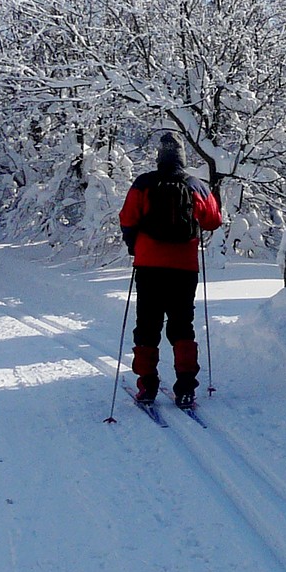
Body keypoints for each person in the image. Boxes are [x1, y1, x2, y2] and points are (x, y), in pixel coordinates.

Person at [118, 132, 224, 406]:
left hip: (149, 266)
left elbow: (127, 219)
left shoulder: (144, 183)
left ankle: (147, 387)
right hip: (184, 268)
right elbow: (213, 221)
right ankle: (186, 387)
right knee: (182, 325)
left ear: (159, 158)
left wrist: (134, 246)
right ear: (183, 159)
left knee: (147, 325)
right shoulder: (195, 185)